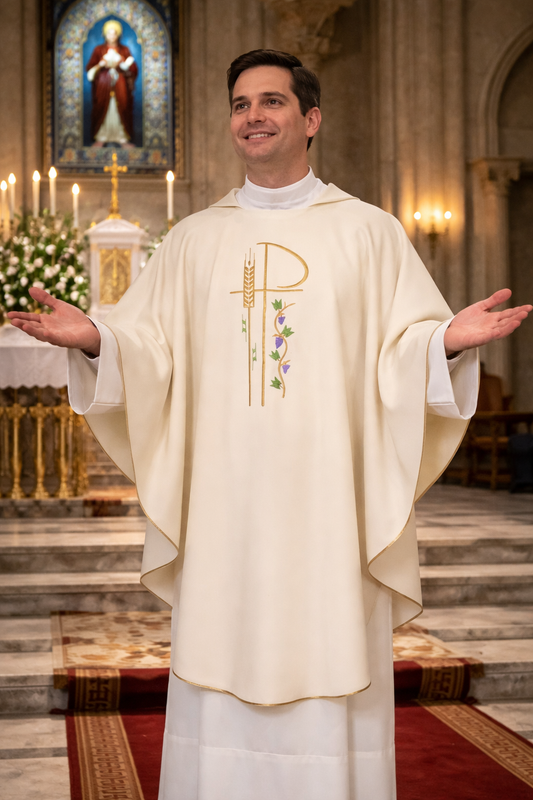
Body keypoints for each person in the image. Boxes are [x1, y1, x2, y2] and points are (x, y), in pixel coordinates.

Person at [9, 50, 531, 800]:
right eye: (240, 104)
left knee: (328, 644)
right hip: (225, 505)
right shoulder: (193, 239)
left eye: (271, 101)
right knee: (222, 649)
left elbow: (399, 349)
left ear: (310, 119)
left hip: (329, 503)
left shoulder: (368, 232)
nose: (252, 116)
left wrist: (444, 341)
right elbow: (148, 349)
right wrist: (96, 338)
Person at [86, 19, 138, 147]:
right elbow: (90, 68)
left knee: (122, 107)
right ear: (105, 34)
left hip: (120, 85)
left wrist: (121, 63)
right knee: (102, 107)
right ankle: (101, 137)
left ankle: (122, 138)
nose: (112, 36)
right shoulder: (99, 50)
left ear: (118, 34)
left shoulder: (124, 50)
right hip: (103, 85)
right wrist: (101, 64)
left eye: (114, 33)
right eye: (109, 33)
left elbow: (133, 69)